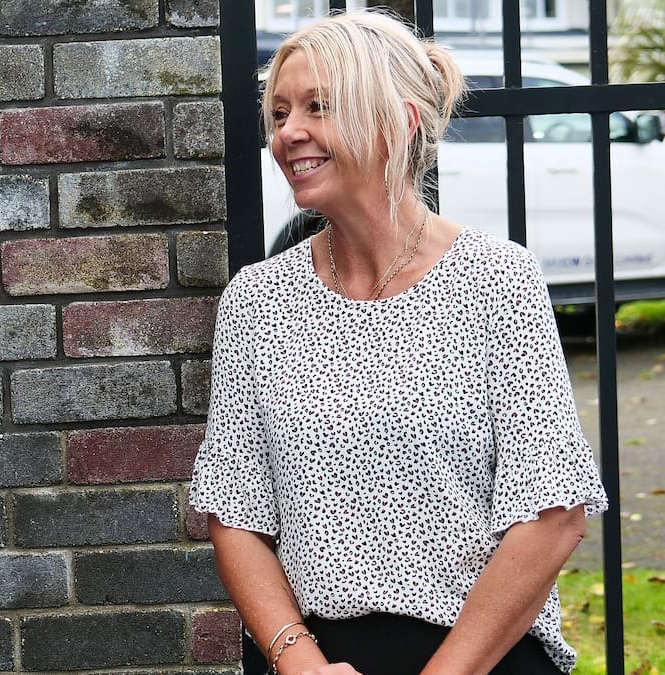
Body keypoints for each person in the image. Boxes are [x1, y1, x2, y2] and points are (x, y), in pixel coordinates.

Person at [190, 9, 607, 675]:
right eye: (279, 112)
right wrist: (297, 660)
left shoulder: (498, 281)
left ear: (401, 122)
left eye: (318, 107)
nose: (288, 132)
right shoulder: (256, 301)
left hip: (484, 657)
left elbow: (554, 512)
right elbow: (234, 510)